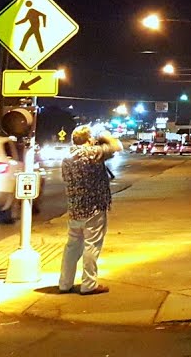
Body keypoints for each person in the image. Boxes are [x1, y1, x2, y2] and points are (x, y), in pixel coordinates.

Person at [59, 126, 121, 295]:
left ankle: (65, 283)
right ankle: (89, 284)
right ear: (89, 139)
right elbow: (117, 146)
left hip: (74, 208)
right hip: (94, 207)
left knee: (72, 247)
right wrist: (103, 136)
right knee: (91, 246)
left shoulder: (67, 157)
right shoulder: (92, 153)